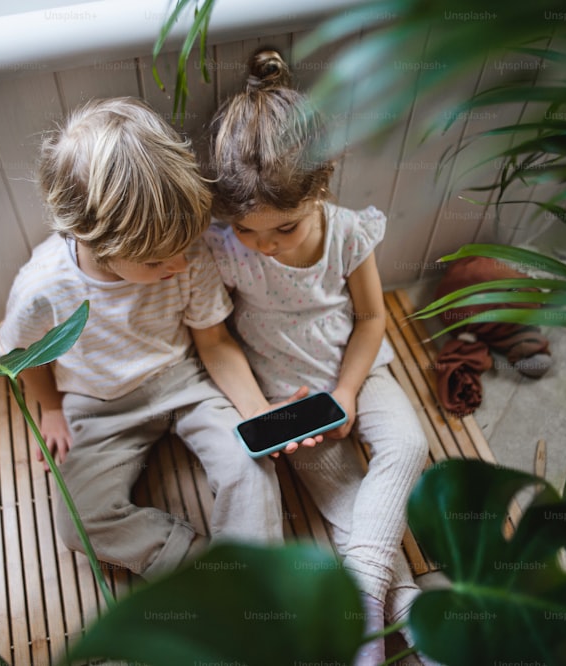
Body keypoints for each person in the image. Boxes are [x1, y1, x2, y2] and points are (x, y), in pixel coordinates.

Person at [0, 97, 315, 580]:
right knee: (81, 522)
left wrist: (255, 413)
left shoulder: (185, 251)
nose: (181, 266)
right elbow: (21, 356)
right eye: (158, 263)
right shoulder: (45, 289)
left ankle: (257, 578)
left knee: (249, 467)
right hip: (97, 401)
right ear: (94, 242)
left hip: (183, 379)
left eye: (184, 249)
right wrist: (52, 409)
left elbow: (215, 342)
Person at [202, 50, 430, 665]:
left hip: (355, 368)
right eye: (249, 230)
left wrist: (350, 391)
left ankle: (361, 593)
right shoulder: (225, 250)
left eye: (285, 230)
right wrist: (262, 413)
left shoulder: (349, 232)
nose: (264, 246)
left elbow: (371, 317)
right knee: (338, 489)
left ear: (321, 187)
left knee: (408, 445)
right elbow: (215, 340)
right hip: (286, 389)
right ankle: (402, 606)